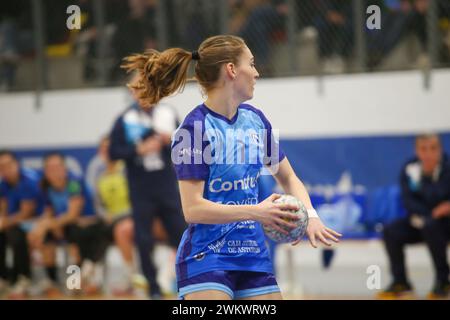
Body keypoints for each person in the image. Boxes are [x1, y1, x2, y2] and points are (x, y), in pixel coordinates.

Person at [123, 34, 341, 300]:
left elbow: (289, 178)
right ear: (231, 70)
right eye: (251, 63)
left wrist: (310, 216)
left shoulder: (256, 121)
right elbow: (193, 209)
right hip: (206, 256)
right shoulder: (193, 130)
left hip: (252, 255)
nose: (257, 73)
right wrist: (258, 211)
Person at [108, 69, 187, 299]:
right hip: (140, 187)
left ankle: (186, 283)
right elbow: (113, 152)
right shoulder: (124, 120)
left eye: (146, 87)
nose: (142, 93)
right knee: (143, 238)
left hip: (167, 184)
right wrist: (136, 150)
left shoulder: (168, 113)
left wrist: (169, 141)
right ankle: (152, 287)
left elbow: (187, 146)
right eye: (137, 88)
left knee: (181, 235)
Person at [378, 134, 450, 299]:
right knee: (391, 230)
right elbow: (408, 200)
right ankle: (400, 281)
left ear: (440, 149)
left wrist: (427, 178)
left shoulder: (447, 168)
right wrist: (430, 212)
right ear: (417, 151)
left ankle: (443, 280)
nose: (428, 154)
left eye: (433, 148)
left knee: (432, 226)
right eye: (423, 149)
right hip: (422, 219)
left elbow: (439, 195)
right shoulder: (410, 168)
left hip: (444, 224)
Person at [28, 152, 106, 296]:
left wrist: (48, 225)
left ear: (64, 167)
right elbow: (49, 211)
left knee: (74, 242)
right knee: (41, 237)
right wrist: (41, 225)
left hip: (86, 225)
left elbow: (72, 214)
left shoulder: (73, 182)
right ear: (45, 171)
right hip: (64, 225)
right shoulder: (45, 186)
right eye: (50, 168)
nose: (54, 171)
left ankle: (76, 283)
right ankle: (51, 281)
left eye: (58, 166)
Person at [94, 137, 135, 295]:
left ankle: (130, 278)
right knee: (89, 233)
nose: (106, 151)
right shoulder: (99, 176)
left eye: (109, 147)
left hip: (131, 218)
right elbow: (99, 205)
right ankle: (91, 280)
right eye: (103, 149)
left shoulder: (127, 170)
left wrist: (118, 216)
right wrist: (105, 216)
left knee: (120, 230)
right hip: (109, 221)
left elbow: (137, 198)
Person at [0, 150, 42, 298]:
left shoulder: (28, 180)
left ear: (16, 163)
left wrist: (4, 223)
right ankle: (4, 278)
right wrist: (2, 221)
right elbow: (4, 208)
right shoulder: (4, 183)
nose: (5, 169)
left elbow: (26, 212)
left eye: (8, 165)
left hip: (36, 220)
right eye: (1, 166)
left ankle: (24, 278)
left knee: (15, 234)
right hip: (16, 221)